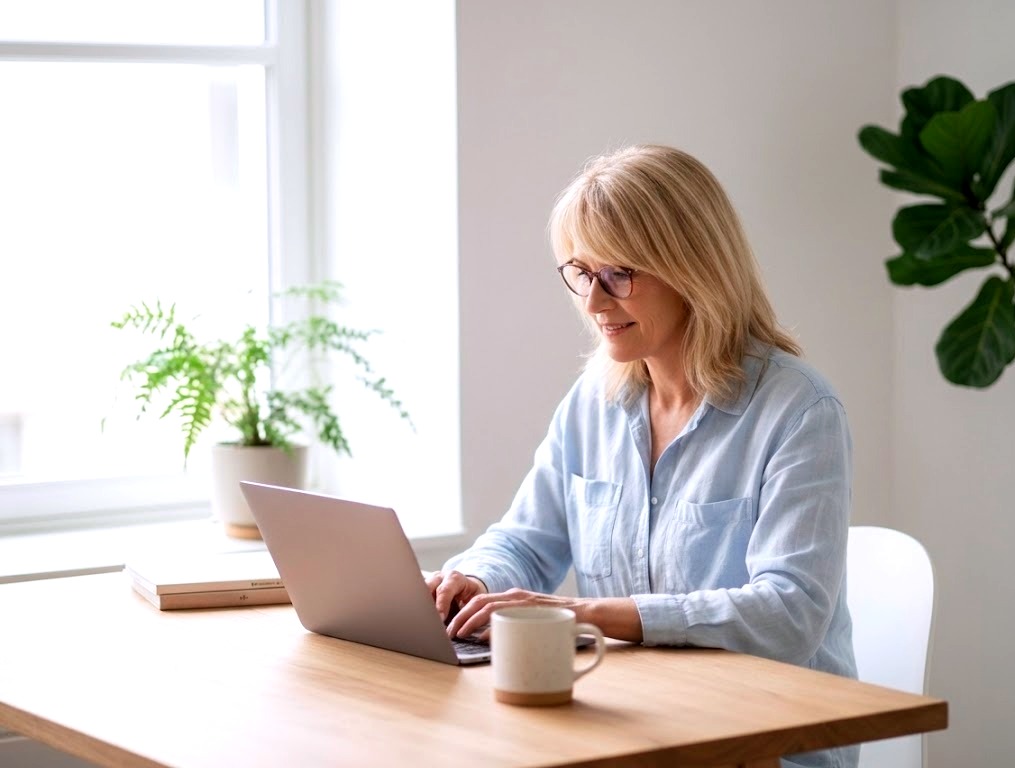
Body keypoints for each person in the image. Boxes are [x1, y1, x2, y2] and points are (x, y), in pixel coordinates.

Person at [427, 144, 857, 768]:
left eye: (619, 275)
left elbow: (789, 613)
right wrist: (476, 580)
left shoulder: (800, 411)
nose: (595, 303)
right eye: (580, 273)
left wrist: (588, 614)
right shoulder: (592, 403)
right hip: (637, 729)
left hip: (766, 745)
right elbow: (525, 542)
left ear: (693, 269)